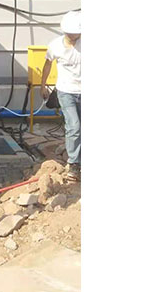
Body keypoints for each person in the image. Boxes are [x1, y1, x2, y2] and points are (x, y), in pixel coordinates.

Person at [40, 10, 81, 181]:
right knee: (74, 126)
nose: (75, 36)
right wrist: (43, 85)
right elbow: (47, 64)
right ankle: (74, 164)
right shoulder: (55, 46)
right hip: (66, 91)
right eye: (73, 33)